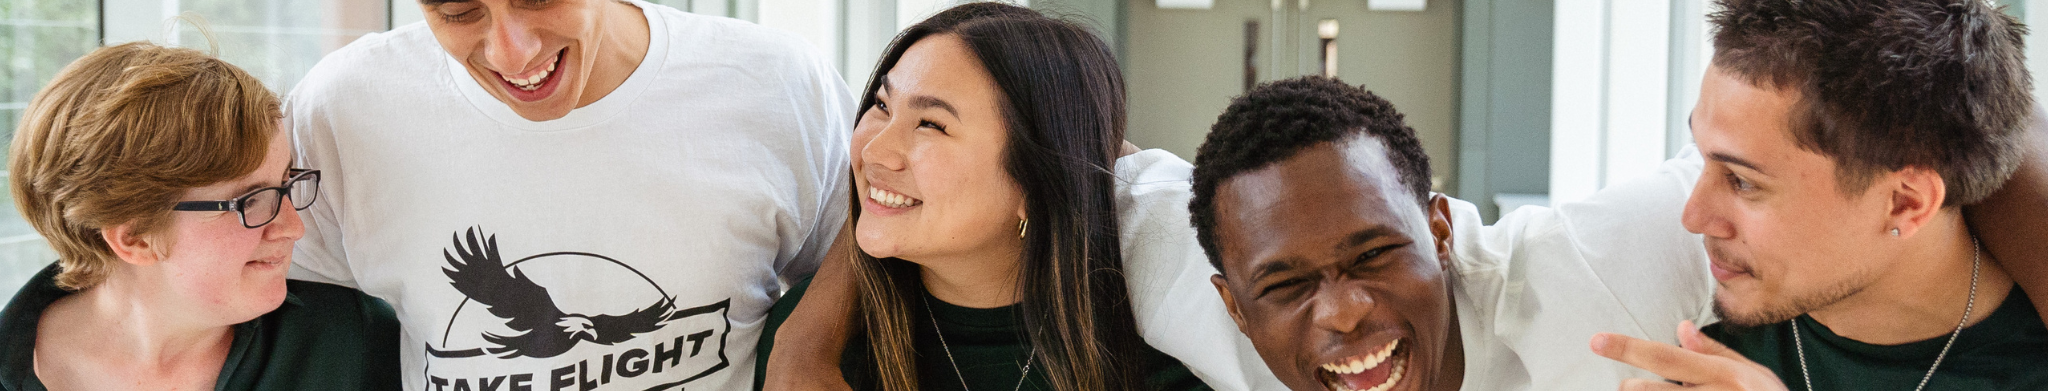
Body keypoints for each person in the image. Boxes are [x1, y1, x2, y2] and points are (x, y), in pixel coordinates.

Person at [284, 0, 853, 387]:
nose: (512, 53)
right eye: (456, 10)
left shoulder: (777, 83)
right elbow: (247, 299)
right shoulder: (343, 110)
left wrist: (806, 345)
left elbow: (873, 244)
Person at [1592, 0, 2048, 389]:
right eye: (1701, 154)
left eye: (1744, 181)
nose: (1693, 216)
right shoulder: (1690, 344)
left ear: (1905, 202)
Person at [754, 4, 1210, 390]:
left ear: (1037, 181)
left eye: (931, 124)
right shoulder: (811, 351)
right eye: (881, 106)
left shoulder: (1169, 353)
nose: (873, 151)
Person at [0, 42, 399, 390]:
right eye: (252, 201)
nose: (294, 227)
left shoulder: (351, 341)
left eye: (285, 184)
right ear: (136, 238)